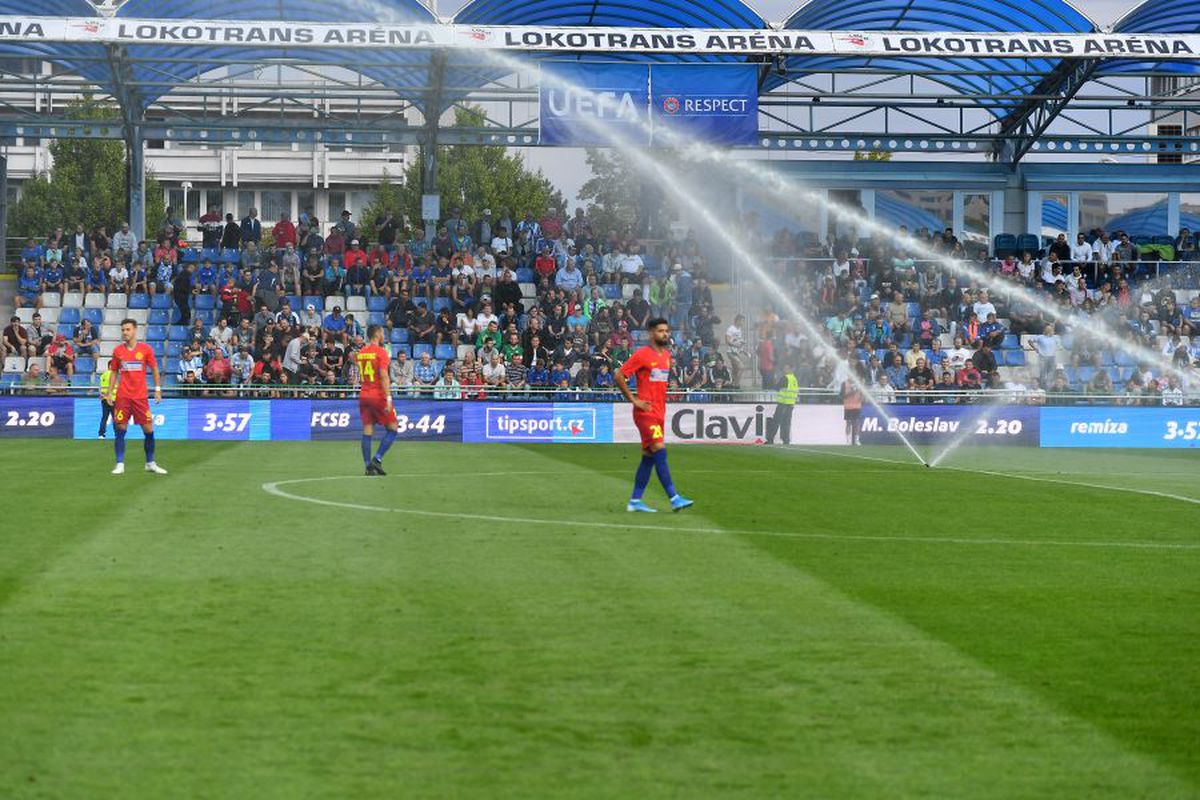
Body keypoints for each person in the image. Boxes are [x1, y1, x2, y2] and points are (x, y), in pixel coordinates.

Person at [614, 318, 693, 513]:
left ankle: (634, 501)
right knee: (660, 450)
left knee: (648, 457)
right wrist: (634, 400)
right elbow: (619, 375)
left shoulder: (666, 356)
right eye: (660, 331)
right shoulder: (642, 355)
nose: (665, 334)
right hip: (645, 413)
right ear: (651, 333)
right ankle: (674, 497)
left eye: (667, 331)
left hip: (659, 413)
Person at [110, 319, 167, 475]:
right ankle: (120, 464)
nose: (125, 332)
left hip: (140, 396)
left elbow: (155, 369)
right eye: (123, 330)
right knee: (120, 428)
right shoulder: (118, 351)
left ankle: (150, 462)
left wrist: (157, 389)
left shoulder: (146, 349)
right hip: (123, 396)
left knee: (148, 429)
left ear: (135, 330)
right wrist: (109, 392)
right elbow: (114, 371)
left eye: (128, 329)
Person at [355, 325, 399, 476]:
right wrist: (388, 398)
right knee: (393, 428)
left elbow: (362, 376)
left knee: (367, 430)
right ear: (377, 334)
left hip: (364, 395)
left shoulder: (361, 353)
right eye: (382, 332)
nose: (384, 334)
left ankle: (368, 466)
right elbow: (384, 376)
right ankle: (377, 459)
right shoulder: (381, 352)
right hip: (377, 395)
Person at [766, 362, 798, 445]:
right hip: (790, 404)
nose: (784, 370)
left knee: (776, 422)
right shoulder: (794, 379)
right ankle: (786, 440)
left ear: (791, 369)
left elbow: (776, 387)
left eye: (786, 368)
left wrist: (774, 381)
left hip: (783, 404)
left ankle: (770, 439)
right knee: (786, 423)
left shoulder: (785, 378)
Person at [98, 358, 118, 438]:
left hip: (104, 399)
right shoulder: (113, 374)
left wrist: (102, 395)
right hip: (112, 398)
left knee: (104, 417)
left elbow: (100, 387)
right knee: (115, 418)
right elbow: (112, 386)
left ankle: (101, 434)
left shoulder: (103, 375)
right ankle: (117, 434)